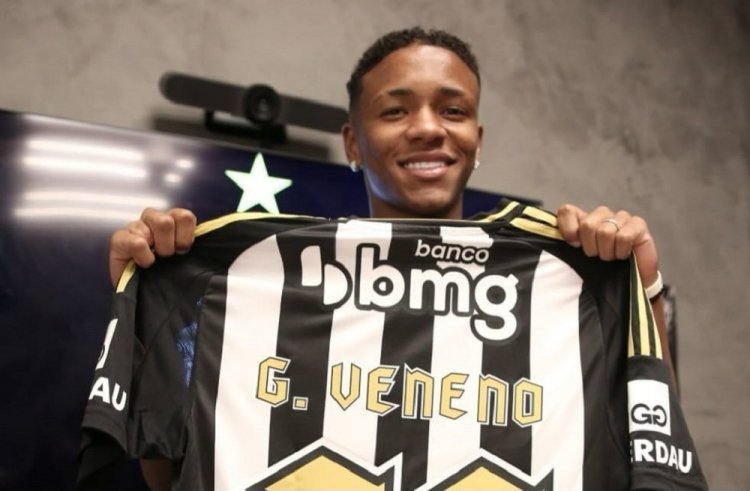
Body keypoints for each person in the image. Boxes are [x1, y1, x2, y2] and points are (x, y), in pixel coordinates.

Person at [107, 27, 673, 490]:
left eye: (453, 110)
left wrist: (638, 287)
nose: (428, 128)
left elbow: (649, 445)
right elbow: (173, 469)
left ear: (477, 139)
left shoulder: (559, 282)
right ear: (353, 142)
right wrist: (147, 300)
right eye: (396, 111)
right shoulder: (258, 280)